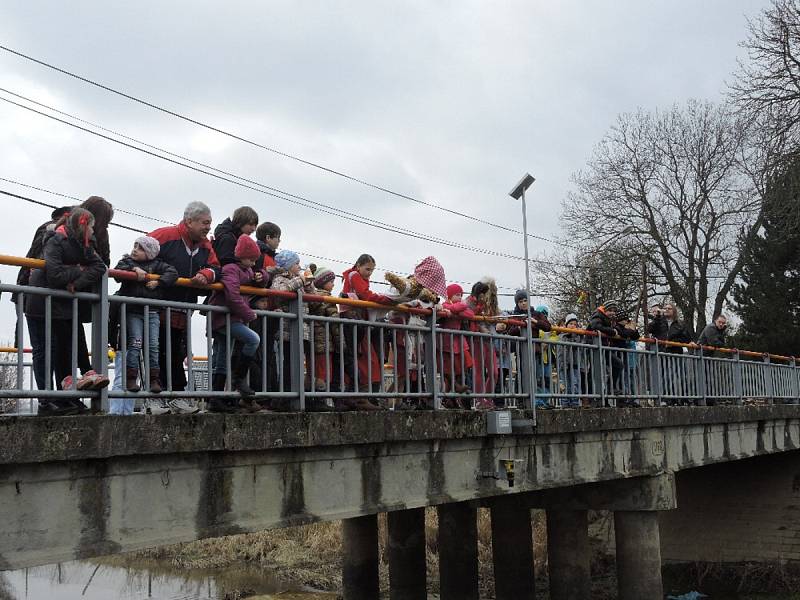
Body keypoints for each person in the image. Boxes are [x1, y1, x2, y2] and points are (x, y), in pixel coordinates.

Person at [18, 198, 113, 395]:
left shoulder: (87, 239)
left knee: (65, 341)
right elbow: (48, 269)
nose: (99, 230)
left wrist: (76, 280)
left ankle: (67, 394)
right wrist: (78, 269)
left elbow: (100, 264)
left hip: (67, 297)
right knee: (47, 349)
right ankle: (48, 398)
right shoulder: (53, 234)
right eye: (100, 224)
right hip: (38, 297)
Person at [149, 201, 220, 414]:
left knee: (177, 353)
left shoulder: (205, 246)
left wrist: (206, 275)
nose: (208, 227)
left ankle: (176, 396)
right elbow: (139, 255)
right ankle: (154, 400)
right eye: (205, 223)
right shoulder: (164, 236)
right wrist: (167, 274)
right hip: (155, 308)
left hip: (182, 311)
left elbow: (217, 268)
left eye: (210, 223)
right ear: (189, 221)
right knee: (156, 354)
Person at [109, 237, 179, 414]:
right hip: (133, 311)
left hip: (152, 311)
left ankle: (154, 379)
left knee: (153, 345)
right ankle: (131, 378)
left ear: (150, 253)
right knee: (136, 342)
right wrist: (133, 269)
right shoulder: (127, 261)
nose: (134, 250)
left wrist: (159, 281)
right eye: (134, 246)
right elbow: (117, 272)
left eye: (139, 248)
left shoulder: (159, 265)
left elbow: (173, 273)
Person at [207, 235, 268, 413]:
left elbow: (262, 279)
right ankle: (238, 379)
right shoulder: (231, 269)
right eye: (251, 259)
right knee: (253, 339)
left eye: (255, 260)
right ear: (241, 256)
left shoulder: (247, 270)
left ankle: (216, 398)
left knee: (222, 359)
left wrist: (261, 276)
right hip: (224, 319)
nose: (252, 263)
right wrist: (249, 314)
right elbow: (232, 296)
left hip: (230, 319)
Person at [269, 250, 325, 410]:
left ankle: (306, 396)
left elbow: (315, 303)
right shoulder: (279, 278)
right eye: (296, 263)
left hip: (303, 329)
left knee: (305, 365)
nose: (299, 266)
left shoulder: (298, 281)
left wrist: (310, 287)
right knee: (289, 364)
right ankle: (287, 396)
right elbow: (280, 293)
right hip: (287, 330)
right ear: (288, 265)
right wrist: (299, 280)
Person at [339, 254, 393, 410]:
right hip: (354, 320)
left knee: (363, 358)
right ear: (358, 265)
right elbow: (365, 295)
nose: (369, 273)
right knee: (362, 358)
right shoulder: (355, 276)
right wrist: (387, 300)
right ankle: (360, 397)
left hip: (357, 319)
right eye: (367, 269)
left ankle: (360, 396)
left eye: (372, 270)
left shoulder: (356, 276)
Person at [498, 290, 551, 408]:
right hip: (521, 350)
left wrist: (535, 322)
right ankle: (521, 401)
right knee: (522, 375)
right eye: (520, 301)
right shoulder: (515, 315)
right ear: (517, 303)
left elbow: (548, 326)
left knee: (537, 376)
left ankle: (538, 401)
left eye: (525, 300)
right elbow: (509, 331)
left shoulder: (536, 314)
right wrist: (521, 325)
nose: (523, 303)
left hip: (535, 350)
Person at [308, 267, 340, 410]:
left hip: (311, 340)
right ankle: (321, 400)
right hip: (326, 342)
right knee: (324, 371)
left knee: (313, 370)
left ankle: (311, 398)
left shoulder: (310, 297)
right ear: (323, 282)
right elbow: (335, 324)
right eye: (331, 281)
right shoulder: (328, 299)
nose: (333, 284)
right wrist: (341, 344)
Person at [465, 279, 500, 410]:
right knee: (479, 371)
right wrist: (481, 325)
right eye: (483, 294)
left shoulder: (487, 304)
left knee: (494, 372)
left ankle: (489, 398)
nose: (485, 297)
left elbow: (495, 314)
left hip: (488, 340)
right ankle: (480, 400)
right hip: (476, 340)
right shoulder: (469, 303)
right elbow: (469, 316)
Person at [439, 283, 474, 407]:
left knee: (460, 369)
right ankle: (449, 396)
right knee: (449, 370)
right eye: (457, 295)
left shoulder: (455, 306)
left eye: (461, 295)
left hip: (459, 342)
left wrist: (457, 310)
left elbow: (470, 314)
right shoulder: (444, 305)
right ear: (449, 295)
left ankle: (450, 397)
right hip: (447, 342)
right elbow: (453, 308)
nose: (460, 297)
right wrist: (461, 307)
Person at [557, 313, 583, 408]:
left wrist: (576, 334)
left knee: (574, 383)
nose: (573, 326)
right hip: (563, 364)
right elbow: (564, 346)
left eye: (575, 324)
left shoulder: (578, 336)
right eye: (571, 324)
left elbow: (579, 344)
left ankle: (575, 403)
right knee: (564, 384)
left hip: (575, 363)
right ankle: (564, 403)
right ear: (566, 325)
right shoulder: (562, 335)